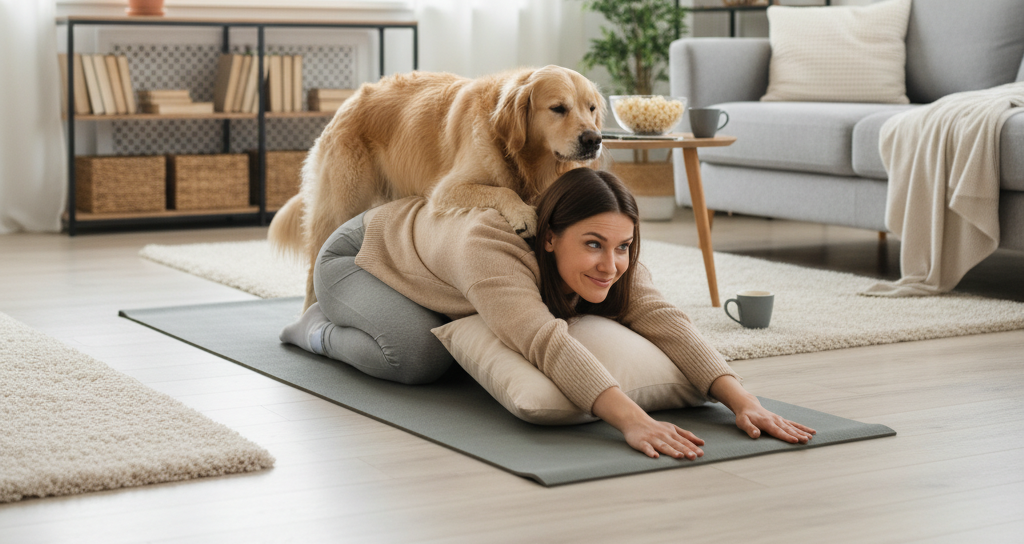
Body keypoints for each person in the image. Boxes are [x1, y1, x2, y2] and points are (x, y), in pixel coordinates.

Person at [280, 167, 815, 459]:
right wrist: (634, 421)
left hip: (438, 274)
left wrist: (743, 402)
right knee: (418, 356)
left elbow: (664, 319)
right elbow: (544, 339)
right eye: (593, 245)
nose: (611, 265)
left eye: (623, 247)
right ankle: (316, 329)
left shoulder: (617, 258)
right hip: (363, 257)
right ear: (551, 237)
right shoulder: (490, 247)